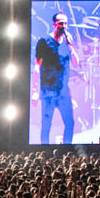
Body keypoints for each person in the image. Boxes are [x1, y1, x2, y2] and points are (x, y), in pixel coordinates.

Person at [34, 12, 78, 144]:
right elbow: (37, 67)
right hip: (48, 91)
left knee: (70, 123)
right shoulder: (44, 42)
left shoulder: (67, 42)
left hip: (63, 91)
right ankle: (44, 152)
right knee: (46, 125)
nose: (63, 26)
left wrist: (70, 45)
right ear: (54, 24)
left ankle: (67, 150)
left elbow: (76, 62)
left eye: (65, 23)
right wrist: (35, 91)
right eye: (60, 23)